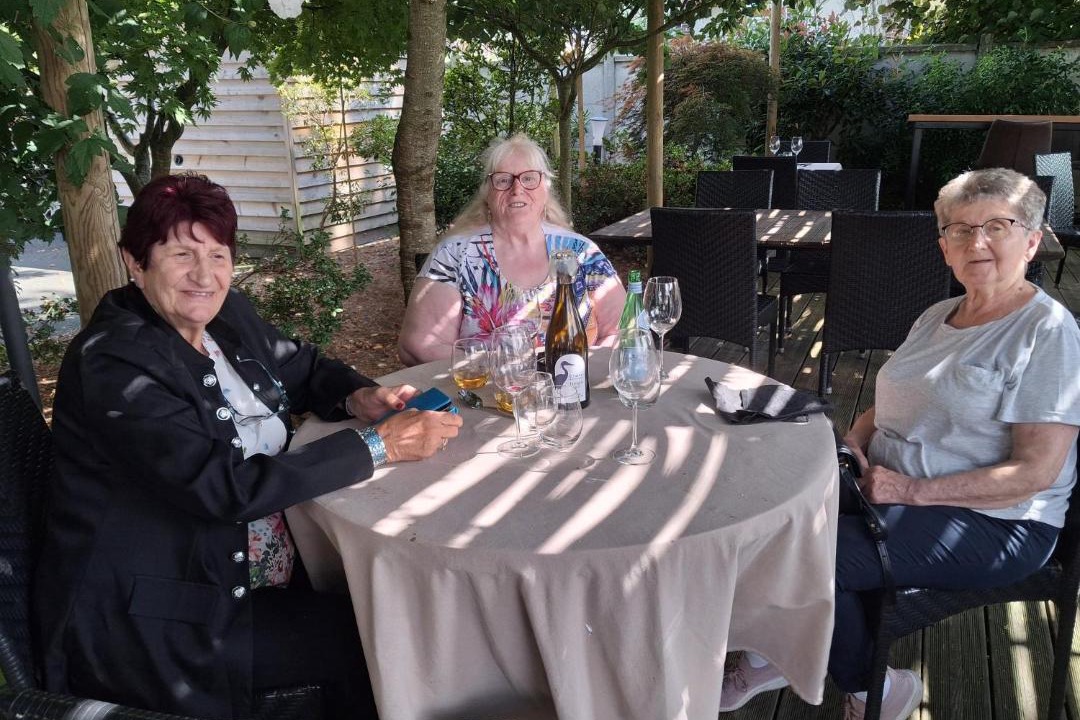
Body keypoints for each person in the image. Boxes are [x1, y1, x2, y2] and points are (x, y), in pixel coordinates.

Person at [34, 173, 463, 720]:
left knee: (403, 597)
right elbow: (222, 486)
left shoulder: (223, 315)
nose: (204, 275)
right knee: (382, 634)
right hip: (167, 617)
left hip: (251, 569)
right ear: (135, 263)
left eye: (218, 255)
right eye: (181, 255)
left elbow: (301, 366)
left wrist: (359, 396)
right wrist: (377, 447)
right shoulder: (115, 364)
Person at [718, 168, 1080, 720]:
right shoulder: (938, 316)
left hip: (997, 521)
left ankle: (874, 691)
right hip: (881, 486)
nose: (977, 242)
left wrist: (910, 490)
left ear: (1031, 241)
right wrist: (853, 441)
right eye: (960, 230)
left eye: (997, 227)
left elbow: (1034, 473)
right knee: (761, 514)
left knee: (805, 559)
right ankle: (774, 652)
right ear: (944, 247)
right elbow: (891, 401)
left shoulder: (1046, 332)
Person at [397, 133, 626, 366]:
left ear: (545, 189)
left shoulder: (582, 253)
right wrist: (505, 371)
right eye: (503, 180)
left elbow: (623, 331)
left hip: (576, 384)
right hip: (488, 387)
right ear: (487, 193)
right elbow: (419, 346)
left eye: (529, 178)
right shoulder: (455, 254)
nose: (517, 189)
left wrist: (585, 374)